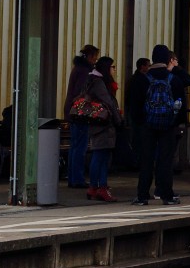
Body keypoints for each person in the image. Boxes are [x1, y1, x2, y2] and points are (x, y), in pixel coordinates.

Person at [133, 44, 190, 206]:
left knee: (146, 159)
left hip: (147, 125)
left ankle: (142, 196)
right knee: (165, 160)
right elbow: (181, 103)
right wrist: (176, 122)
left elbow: (136, 105)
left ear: (153, 58)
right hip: (168, 125)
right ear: (168, 59)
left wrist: (140, 122)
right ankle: (166, 195)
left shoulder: (143, 79)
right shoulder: (174, 79)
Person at [84, 57, 123, 201]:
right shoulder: (99, 83)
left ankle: (95, 187)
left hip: (97, 124)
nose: (114, 69)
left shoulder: (93, 81)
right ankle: (99, 187)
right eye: (113, 66)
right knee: (101, 156)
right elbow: (108, 103)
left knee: (100, 155)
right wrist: (118, 120)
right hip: (103, 125)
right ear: (106, 68)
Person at [63, 44, 99, 188]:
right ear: (90, 56)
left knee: (75, 146)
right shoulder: (85, 71)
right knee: (80, 146)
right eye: (94, 57)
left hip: (72, 112)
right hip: (80, 113)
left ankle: (73, 178)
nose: (95, 60)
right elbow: (81, 92)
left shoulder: (77, 68)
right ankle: (77, 179)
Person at [124, 58, 151, 162]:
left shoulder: (133, 79)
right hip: (140, 114)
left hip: (134, 112)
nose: (149, 67)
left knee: (136, 138)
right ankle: (138, 160)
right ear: (143, 67)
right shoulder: (143, 80)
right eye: (148, 65)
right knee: (139, 138)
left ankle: (136, 160)